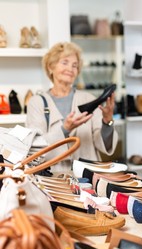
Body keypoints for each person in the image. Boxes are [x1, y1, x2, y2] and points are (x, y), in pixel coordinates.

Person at [26, 42, 118, 172]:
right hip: (53, 180)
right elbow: (34, 147)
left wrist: (107, 122)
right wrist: (65, 129)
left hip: (88, 179)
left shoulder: (88, 99)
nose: (70, 68)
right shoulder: (37, 103)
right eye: (65, 62)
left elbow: (103, 144)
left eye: (75, 65)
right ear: (51, 67)